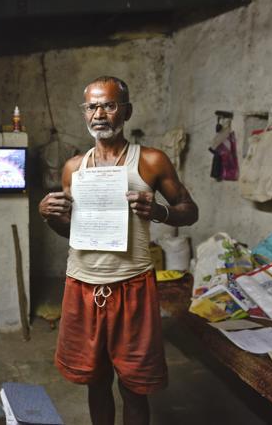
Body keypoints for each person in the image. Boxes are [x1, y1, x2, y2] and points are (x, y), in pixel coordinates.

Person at [38, 76, 198, 425]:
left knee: (134, 386)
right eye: (92, 106)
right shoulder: (74, 168)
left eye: (109, 105)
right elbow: (74, 232)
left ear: (126, 111)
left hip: (132, 285)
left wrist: (159, 211)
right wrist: (49, 217)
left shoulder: (151, 161)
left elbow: (190, 210)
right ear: (85, 113)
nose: (100, 113)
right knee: (96, 382)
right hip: (82, 285)